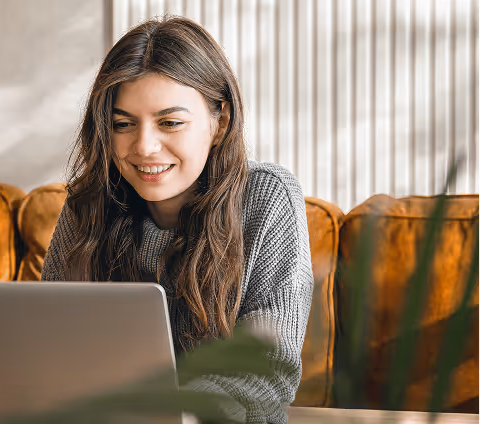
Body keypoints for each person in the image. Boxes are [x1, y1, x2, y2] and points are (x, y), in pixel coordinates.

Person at [41, 15, 313, 424]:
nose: (144, 146)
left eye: (170, 122)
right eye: (123, 124)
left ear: (219, 123)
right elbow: (48, 345)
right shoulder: (89, 203)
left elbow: (267, 370)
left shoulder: (266, 197)